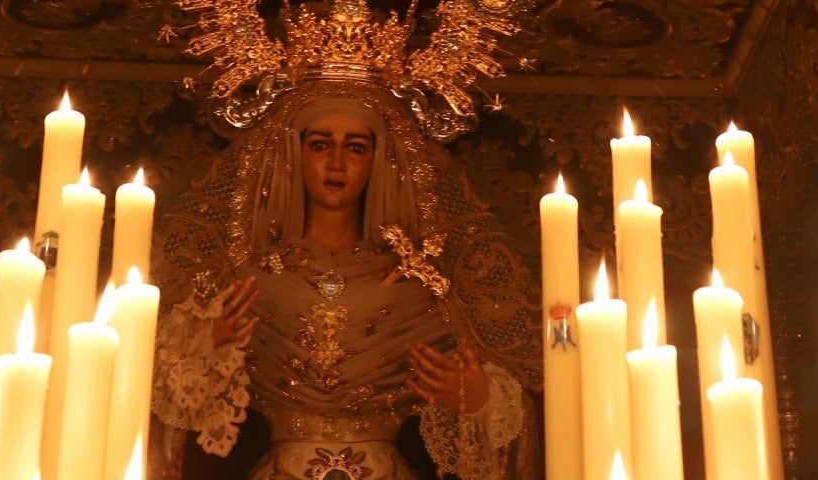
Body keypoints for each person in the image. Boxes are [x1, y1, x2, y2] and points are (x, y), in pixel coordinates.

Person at [149, 86, 535, 480]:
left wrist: (476, 396)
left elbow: (503, 409)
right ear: (293, 156)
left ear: (379, 160)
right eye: (319, 145)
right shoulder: (251, 280)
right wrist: (203, 345)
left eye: (355, 148)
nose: (336, 163)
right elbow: (161, 398)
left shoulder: (416, 287)